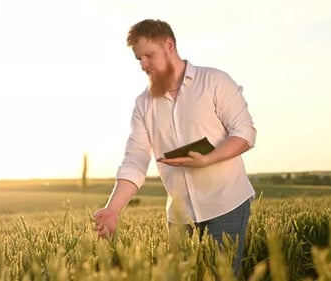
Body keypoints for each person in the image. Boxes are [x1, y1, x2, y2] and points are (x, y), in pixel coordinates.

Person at [92, 19, 256, 274]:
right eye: (139, 59)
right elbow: (135, 160)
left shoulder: (214, 81)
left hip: (226, 203)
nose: (143, 65)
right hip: (180, 214)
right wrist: (113, 210)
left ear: (169, 45)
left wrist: (209, 159)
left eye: (149, 55)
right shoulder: (143, 104)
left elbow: (245, 133)